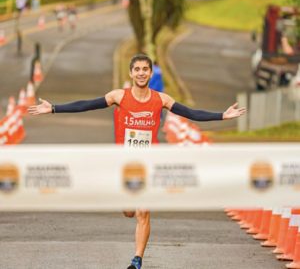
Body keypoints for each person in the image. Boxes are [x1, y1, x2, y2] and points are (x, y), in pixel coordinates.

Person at [28, 54, 246, 269]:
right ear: (131, 73)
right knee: (129, 211)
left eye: (145, 69)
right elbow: (86, 105)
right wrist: (54, 108)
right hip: (124, 164)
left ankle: (137, 259)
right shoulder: (119, 96)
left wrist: (221, 115)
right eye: (137, 69)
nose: (141, 73)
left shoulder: (161, 99)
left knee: (143, 212)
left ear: (151, 73)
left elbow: (190, 113)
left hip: (148, 164)